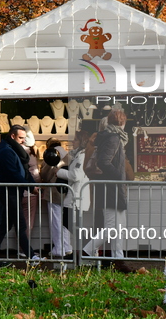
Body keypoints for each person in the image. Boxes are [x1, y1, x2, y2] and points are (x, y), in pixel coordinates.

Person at [82, 109, 131, 271]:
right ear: (122, 122)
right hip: (112, 188)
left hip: (112, 187)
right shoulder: (114, 138)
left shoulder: (108, 137)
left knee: (118, 228)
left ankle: (119, 260)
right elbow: (104, 162)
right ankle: (87, 251)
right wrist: (119, 177)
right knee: (112, 228)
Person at [0, 125, 40, 261]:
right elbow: (14, 174)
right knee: (20, 225)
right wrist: (31, 187)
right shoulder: (6, 151)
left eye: (24, 138)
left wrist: (32, 185)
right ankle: (30, 255)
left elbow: (23, 171)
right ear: (12, 136)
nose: (23, 141)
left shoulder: (12, 149)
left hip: (13, 192)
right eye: (20, 138)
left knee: (5, 226)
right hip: (10, 193)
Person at [56, 130, 91, 258]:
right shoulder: (77, 155)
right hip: (74, 196)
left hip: (76, 197)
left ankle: (87, 249)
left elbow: (75, 175)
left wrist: (58, 172)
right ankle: (85, 250)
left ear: (81, 141)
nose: (72, 142)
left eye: (75, 139)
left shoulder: (82, 156)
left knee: (72, 224)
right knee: (71, 224)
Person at [40, 138, 71, 258]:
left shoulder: (50, 155)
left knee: (56, 221)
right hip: (68, 191)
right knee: (65, 222)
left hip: (54, 192)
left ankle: (59, 248)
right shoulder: (68, 155)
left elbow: (45, 175)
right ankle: (67, 246)